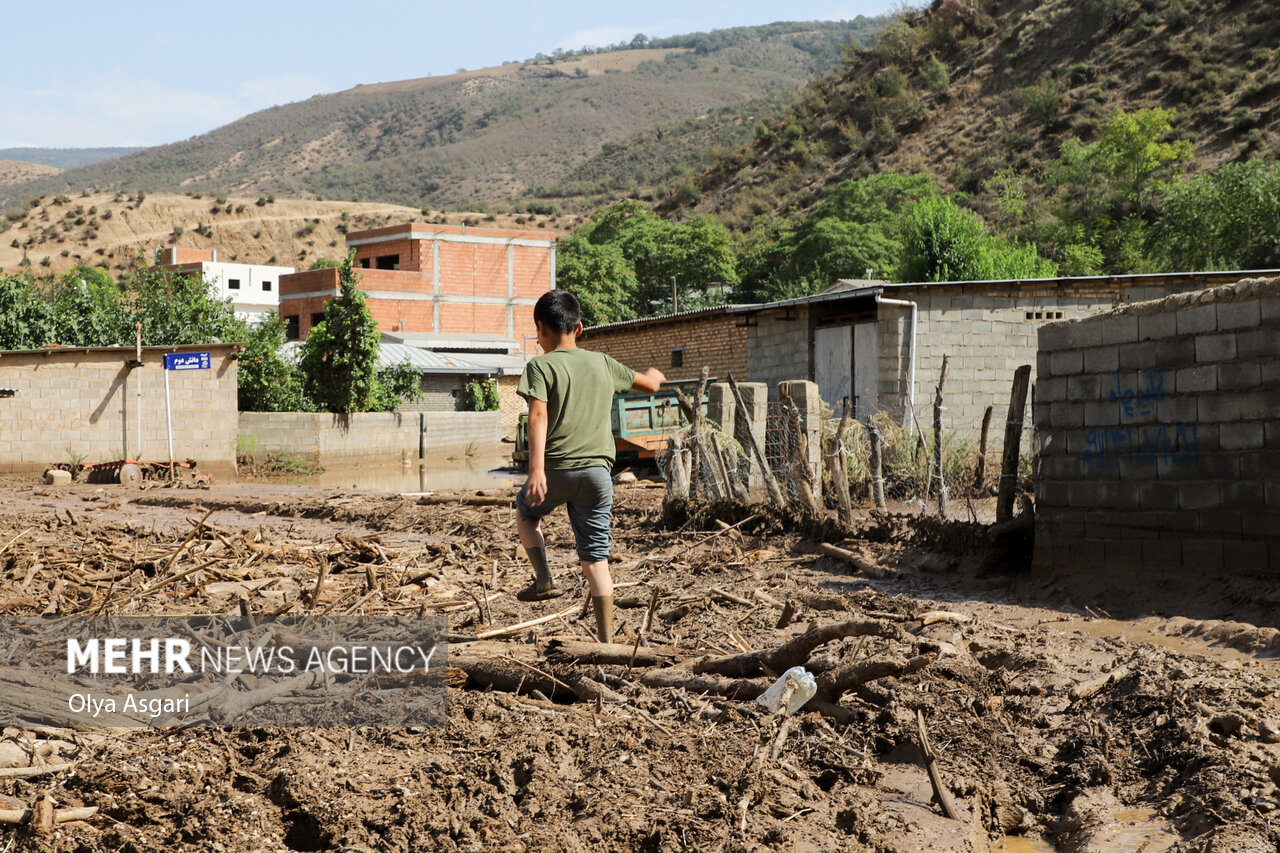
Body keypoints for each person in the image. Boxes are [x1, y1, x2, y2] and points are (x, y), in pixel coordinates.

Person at [515, 290, 665, 642]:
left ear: (540, 328)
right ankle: (607, 642)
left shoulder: (540, 365)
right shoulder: (603, 363)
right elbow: (649, 385)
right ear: (579, 328)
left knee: (526, 515)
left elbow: (537, 414)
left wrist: (536, 471)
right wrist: (655, 375)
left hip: (555, 473)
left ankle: (543, 580)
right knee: (596, 559)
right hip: (599, 476)